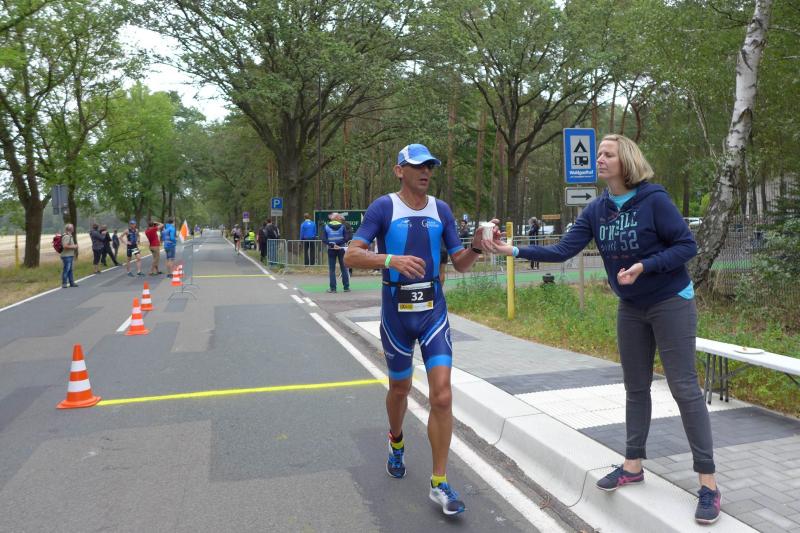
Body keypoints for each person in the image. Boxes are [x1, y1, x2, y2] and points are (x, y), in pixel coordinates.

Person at [482, 134, 720, 525]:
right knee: (635, 387)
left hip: (670, 300)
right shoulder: (597, 210)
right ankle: (633, 465)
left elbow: (686, 246)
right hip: (631, 307)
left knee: (684, 387)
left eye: (607, 154)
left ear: (626, 160)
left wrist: (645, 266)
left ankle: (708, 483)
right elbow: (563, 250)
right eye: (598, 155)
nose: (600, 160)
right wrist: (513, 250)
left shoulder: (654, 200)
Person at [344, 143, 496, 516]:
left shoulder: (441, 209)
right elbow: (350, 254)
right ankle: (396, 441)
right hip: (396, 314)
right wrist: (389, 259)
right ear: (400, 170)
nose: (425, 171)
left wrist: (476, 247)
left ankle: (439, 482)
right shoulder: (384, 207)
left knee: (441, 396)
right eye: (417, 166)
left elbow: (460, 263)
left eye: (430, 166)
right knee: (400, 388)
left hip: (433, 313)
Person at [322, 213, 350, 293]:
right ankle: (346, 287)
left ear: (331, 219)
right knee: (344, 268)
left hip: (331, 249)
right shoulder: (342, 226)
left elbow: (324, 239)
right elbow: (346, 238)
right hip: (341, 249)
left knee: (332, 270)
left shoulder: (326, 227)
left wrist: (332, 244)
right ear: (337, 219)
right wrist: (338, 244)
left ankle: (333, 288)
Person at [60, 223, 79, 288]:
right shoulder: (67, 236)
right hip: (66, 256)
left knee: (70, 270)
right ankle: (64, 283)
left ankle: (71, 283)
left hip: (69, 255)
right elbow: (65, 246)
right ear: (70, 229)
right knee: (66, 269)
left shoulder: (69, 235)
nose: (73, 228)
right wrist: (74, 246)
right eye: (73, 227)